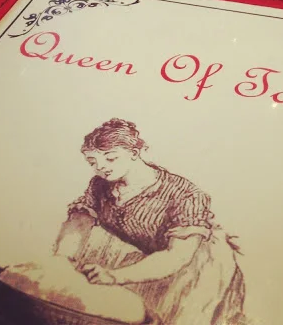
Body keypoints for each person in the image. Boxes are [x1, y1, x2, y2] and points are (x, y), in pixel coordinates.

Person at [54, 118, 246, 325]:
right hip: (145, 260)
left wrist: (116, 276)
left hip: (192, 267)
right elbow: (79, 221)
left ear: (134, 153)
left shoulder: (185, 194)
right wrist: (62, 259)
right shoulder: (100, 185)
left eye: (111, 158)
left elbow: (177, 256)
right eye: (92, 162)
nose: (101, 167)